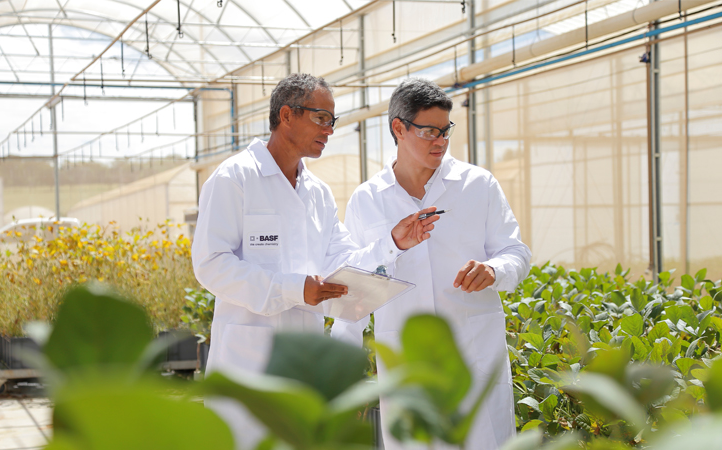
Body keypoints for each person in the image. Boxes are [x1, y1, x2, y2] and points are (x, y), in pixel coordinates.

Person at [191, 73, 440, 449]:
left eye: (332, 120)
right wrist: (294, 289)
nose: (329, 129)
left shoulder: (318, 194)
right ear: (287, 115)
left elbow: (344, 261)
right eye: (321, 118)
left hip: (304, 368)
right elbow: (210, 263)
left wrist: (392, 243)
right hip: (248, 365)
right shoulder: (235, 178)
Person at [331, 78, 532, 450]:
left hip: (475, 356)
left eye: (445, 130)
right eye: (428, 131)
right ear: (398, 128)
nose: (440, 141)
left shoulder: (478, 185)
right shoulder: (367, 199)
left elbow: (516, 252)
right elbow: (352, 286)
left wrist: (494, 270)